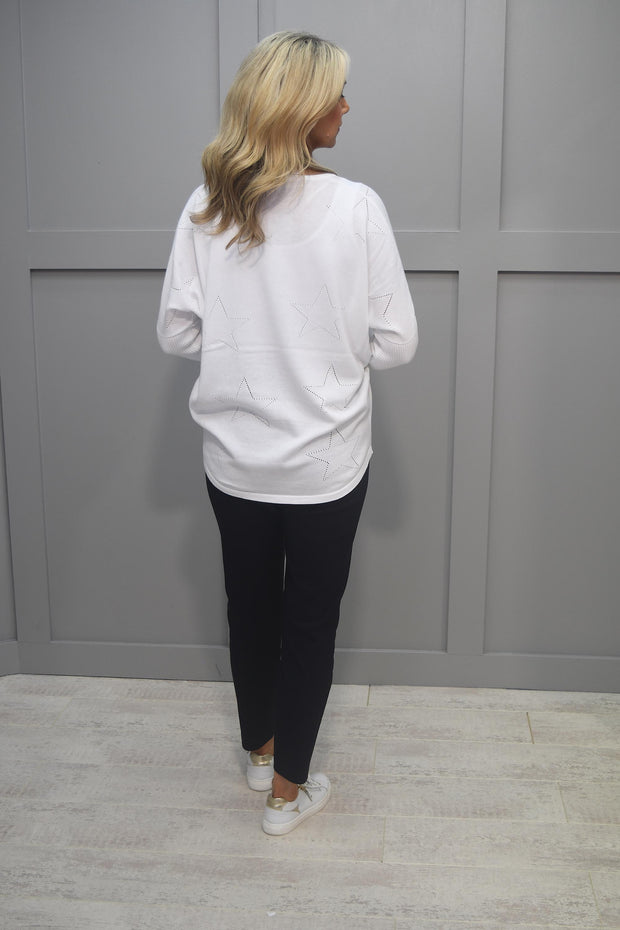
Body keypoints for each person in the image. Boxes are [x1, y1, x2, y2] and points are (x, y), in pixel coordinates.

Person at [157, 31, 418, 835]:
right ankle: (286, 795)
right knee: (309, 622)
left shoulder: (205, 207)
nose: (347, 106)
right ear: (302, 109)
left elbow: (176, 332)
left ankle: (260, 752)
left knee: (249, 609)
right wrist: (320, 354)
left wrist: (250, 351)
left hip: (234, 460)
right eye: (336, 93)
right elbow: (396, 344)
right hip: (326, 464)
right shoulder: (357, 206)